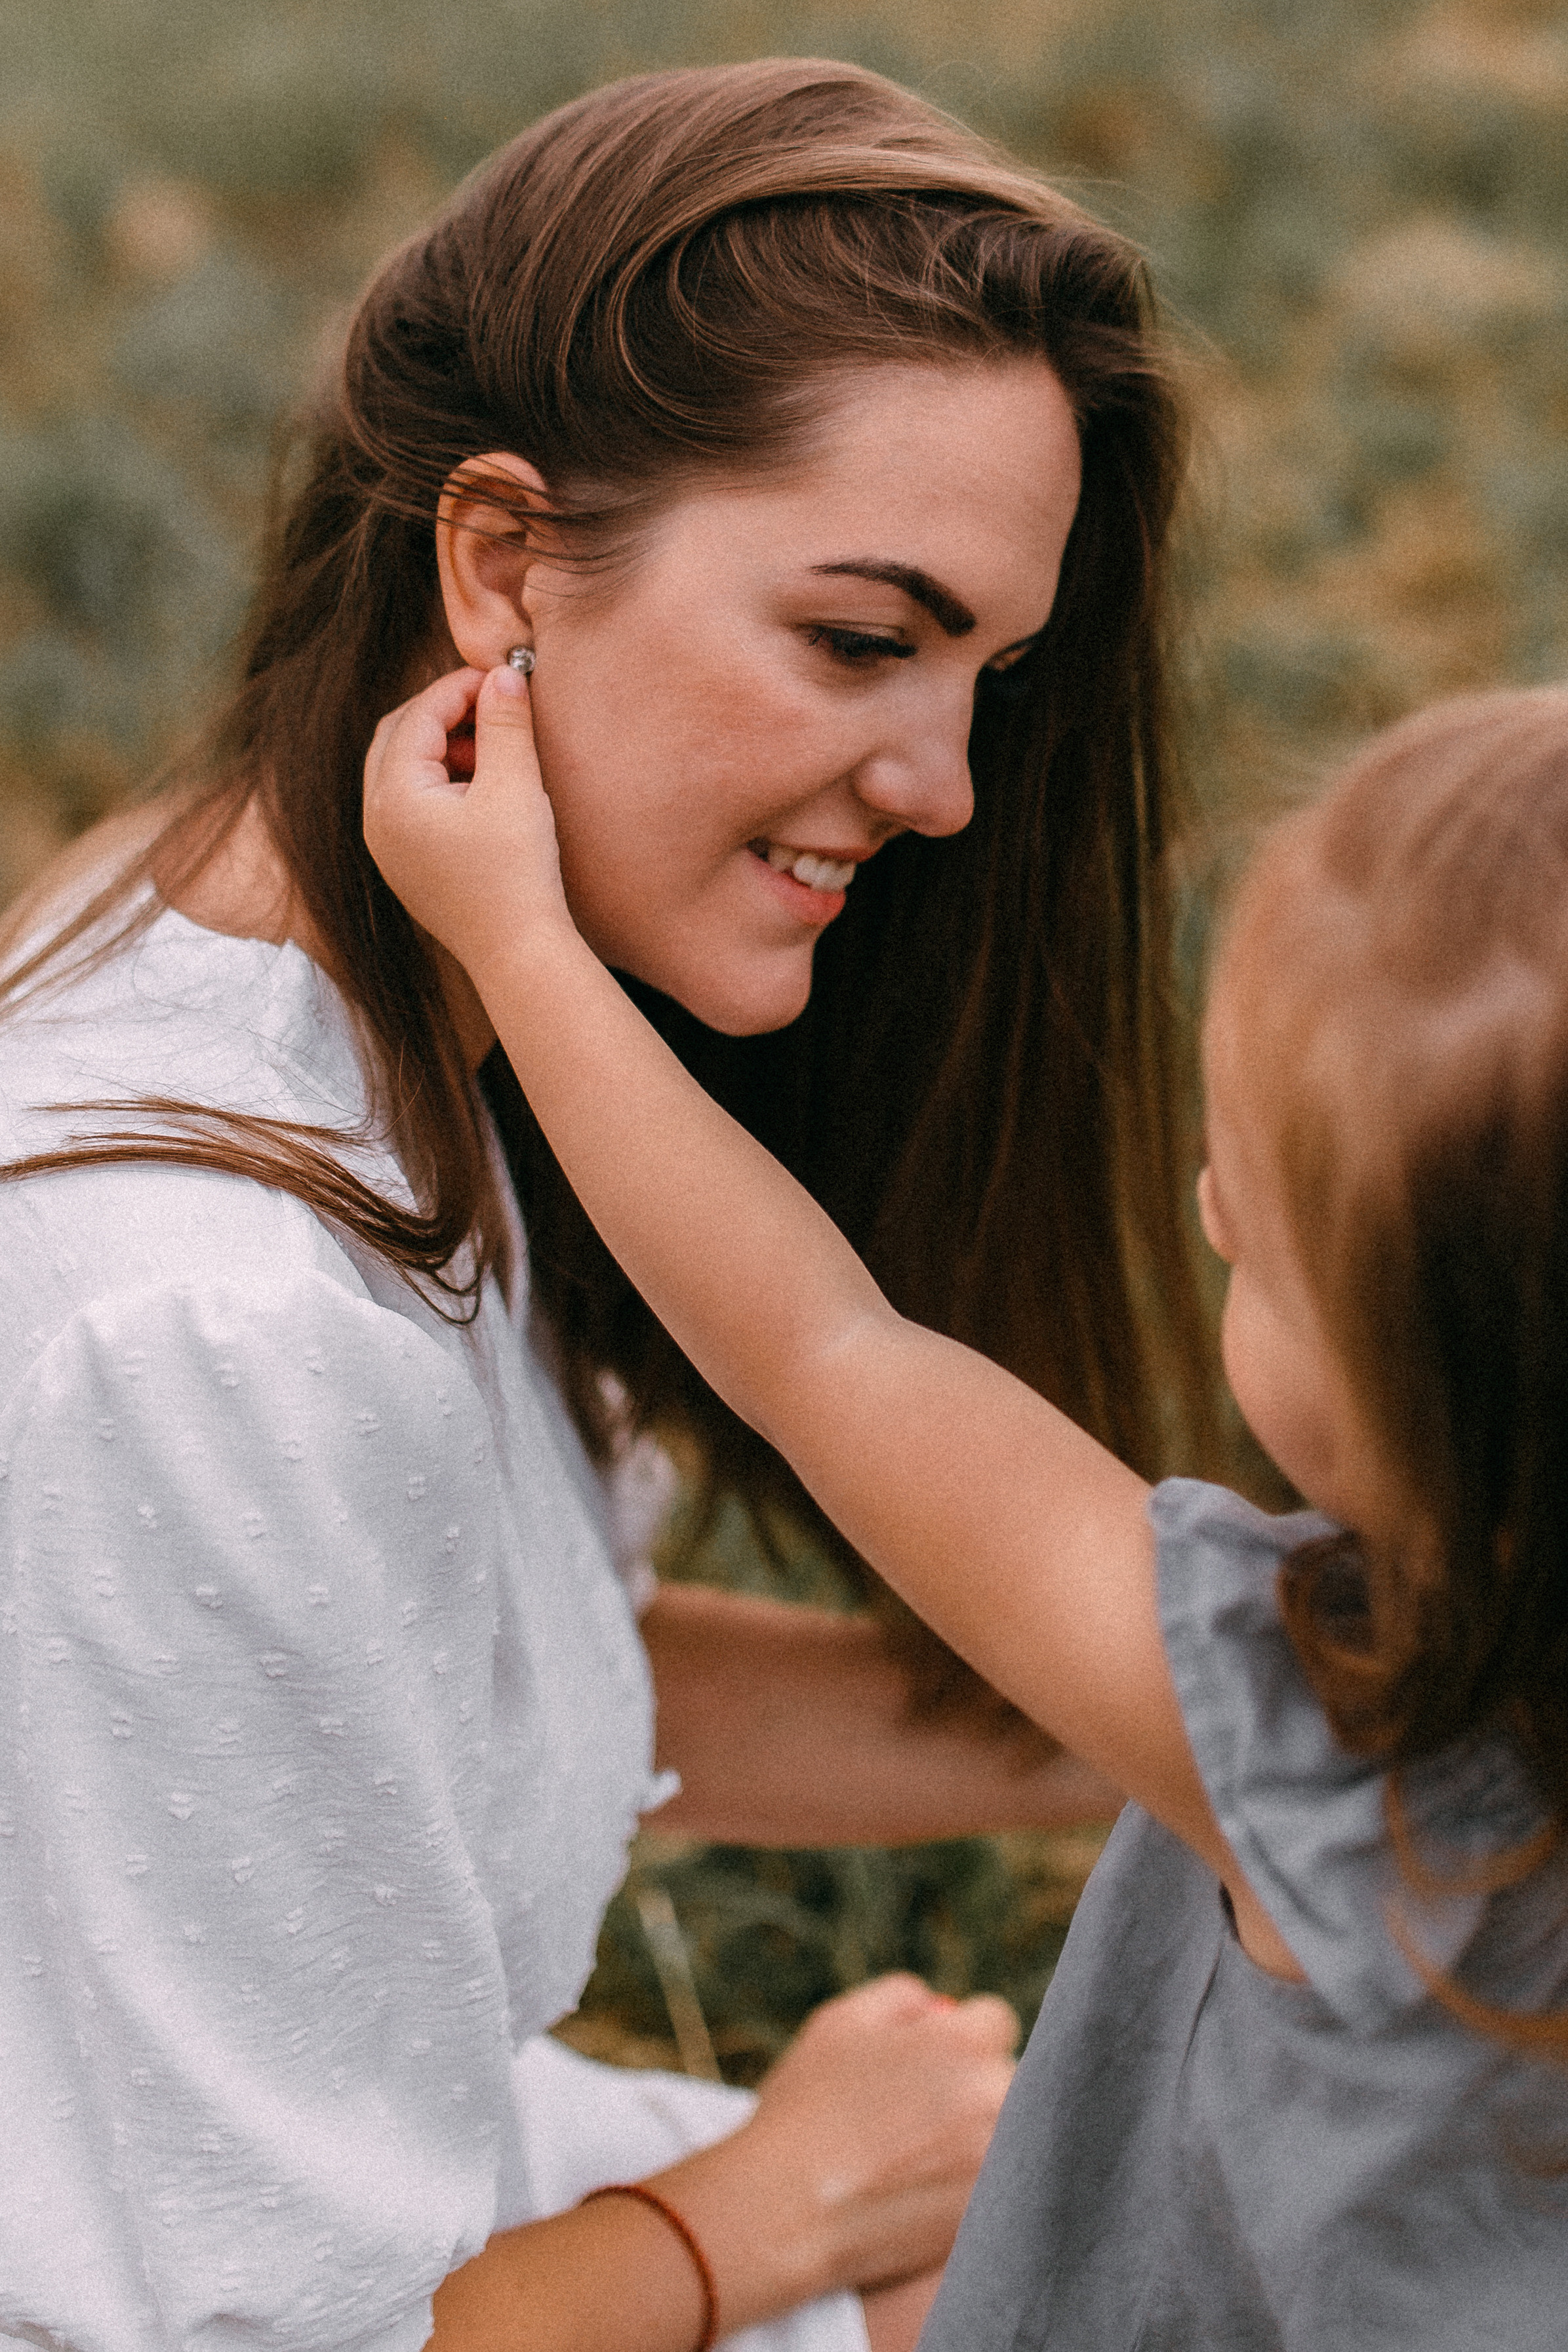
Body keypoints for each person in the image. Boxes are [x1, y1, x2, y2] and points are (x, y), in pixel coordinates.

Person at [0, 57, 1216, 2352]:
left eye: (991, 674)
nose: (951, 789)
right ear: (497, 564)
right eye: (865, 639)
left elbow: (447, 1679)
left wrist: (1210, 1702)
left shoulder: (304, 970)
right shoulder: (216, 1317)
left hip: (431, 2185)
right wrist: (761, 2207)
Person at [365, 672, 1568, 2349]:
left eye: (1258, 1223)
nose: (1208, 1207)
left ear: (1441, 1399)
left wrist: (518, 940)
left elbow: (823, 1347)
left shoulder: (1340, 1755)